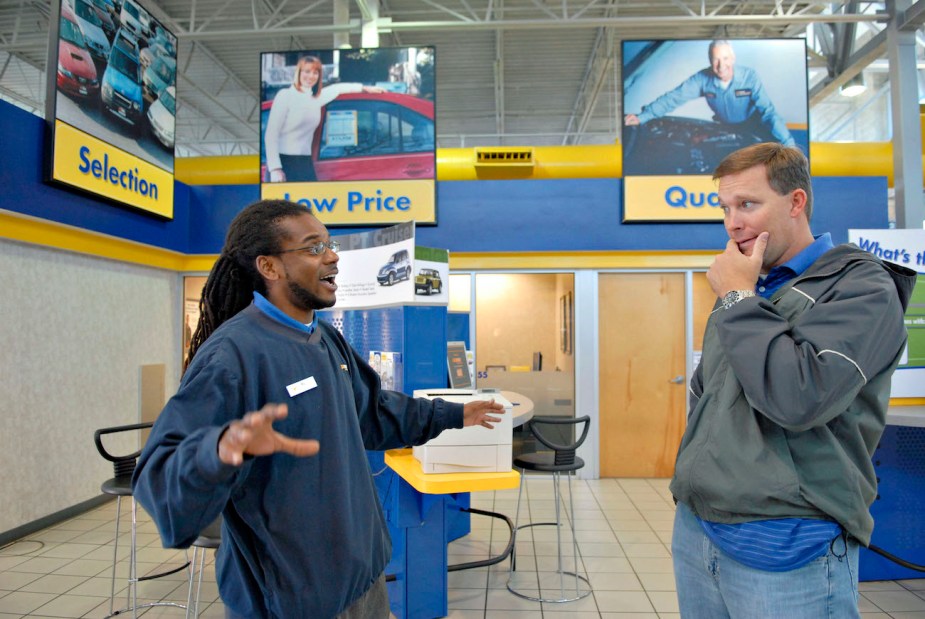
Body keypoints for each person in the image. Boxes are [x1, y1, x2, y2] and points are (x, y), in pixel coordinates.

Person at [132, 199, 504, 618]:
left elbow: (375, 412)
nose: (332, 257)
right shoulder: (233, 356)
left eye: (328, 244)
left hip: (363, 578)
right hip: (293, 599)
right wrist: (218, 449)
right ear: (269, 267)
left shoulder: (326, 340)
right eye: (313, 248)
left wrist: (453, 415)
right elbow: (159, 477)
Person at [670, 143, 916, 618]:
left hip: (788, 539)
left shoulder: (860, 288)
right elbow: (708, 393)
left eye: (747, 205)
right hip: (701, 528)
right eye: (725, 208)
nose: (732, 223)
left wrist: (738, 296)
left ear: (796, 202)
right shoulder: (754, 290)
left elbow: (798, 397)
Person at [624, 40, 796, 147]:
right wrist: (643, 116)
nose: (721, 65)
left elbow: (768, 112)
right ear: (710, 61)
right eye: (716, 60)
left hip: (754, 124)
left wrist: (789, 144)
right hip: (724, 126)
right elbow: (673, 98)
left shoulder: (749, 77)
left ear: (733, 59)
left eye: (726, 59)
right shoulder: (701, 79)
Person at [264, 56, 384, 183]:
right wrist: (275, 169)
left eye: (315, 72)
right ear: (299, 72)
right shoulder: (285, 95)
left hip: (305, 163)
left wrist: (365, 88)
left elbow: (338, 88)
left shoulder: (317, 98)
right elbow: (271, 134)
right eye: (307, 71)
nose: (311, 76)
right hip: (282, 164)